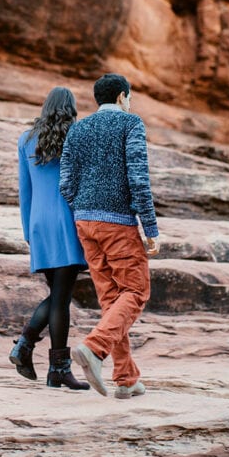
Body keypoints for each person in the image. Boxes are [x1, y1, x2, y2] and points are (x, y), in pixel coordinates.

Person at [60, 73, 160, 399]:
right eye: (129, 97)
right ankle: (94, 348)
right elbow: (138, 178)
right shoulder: (131, 125)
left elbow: (66, 182)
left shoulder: (78, 129)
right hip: (117, 223)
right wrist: (150, 228)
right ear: (121, 97)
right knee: (136, 291)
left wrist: (83, 211)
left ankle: (126, 379)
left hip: (84, 222)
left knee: (112, 300)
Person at [10, 86, 91, 391]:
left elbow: (24, 189)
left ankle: (52, 366)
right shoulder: (77, 136)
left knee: (59, 296)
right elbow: (83, 185)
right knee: (61, 297)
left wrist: (27, 230)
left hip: (39, 224)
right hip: (67, 221)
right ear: (70, 108)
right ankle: (31, 350)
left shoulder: (26, 139)